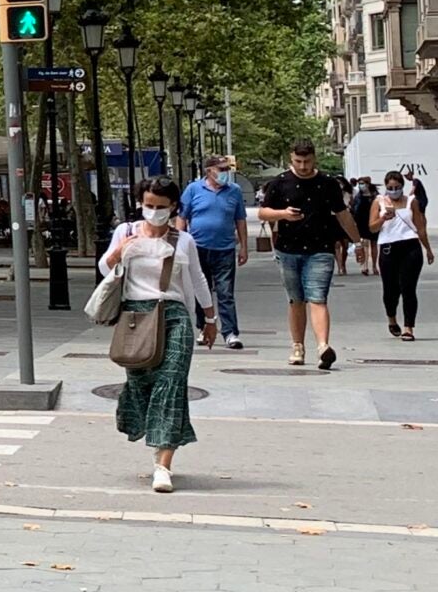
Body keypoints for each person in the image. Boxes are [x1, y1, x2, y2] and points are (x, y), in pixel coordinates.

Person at [101, 179, 218, 493]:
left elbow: (197, 279)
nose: (154, 212)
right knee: (141, 383)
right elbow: (104, 268)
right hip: (135, 318)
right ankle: (136, 416)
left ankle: (162, 464)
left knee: (172, 383)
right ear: (140, 203)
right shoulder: (125, 233)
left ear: (173, 207)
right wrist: (121, 252)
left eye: (161, 207)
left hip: (174, 315)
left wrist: (210, 317)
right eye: (149, 205)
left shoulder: (184, 241)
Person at [258, 142, 362, 370]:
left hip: (321, 249)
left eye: (307, 162)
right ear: (291, 159)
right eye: (298, 162)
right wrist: (282, 214)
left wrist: (357, 241)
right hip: (288, 249)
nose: (303, 166)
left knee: (317, 297)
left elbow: (343, 215)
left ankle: (323, 346)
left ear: (315, 159)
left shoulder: (327, 184)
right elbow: (263, 213)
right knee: (296, 300)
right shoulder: (279, 183)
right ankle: (297, 346)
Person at [178, 154, 247, 349]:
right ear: (209, 171)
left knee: (226, 292)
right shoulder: (193, 190)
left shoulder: (234, 191)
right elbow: (182, 217)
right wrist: (180, 244)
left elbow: (240, 220)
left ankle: (230, 332)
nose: (226, 173)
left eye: (227, 169)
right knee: (202, 291)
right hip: (198, 248)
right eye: (222, 169)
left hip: (225, 249)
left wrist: (243, 246)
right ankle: (203, 328)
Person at [373, 170, 433, 341]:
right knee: (391, 289)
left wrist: (427, 248)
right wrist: (383, 218)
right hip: (388, 248)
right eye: (390, 187)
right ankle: (391, 318)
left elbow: (420, 226)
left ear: (402, 186)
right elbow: (372, 227)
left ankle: (408, 327)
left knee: (408, 288)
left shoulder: (411, 202)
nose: (394, 190)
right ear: (386, 186)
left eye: (397, 187)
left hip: (410, 247)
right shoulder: (379, 202)